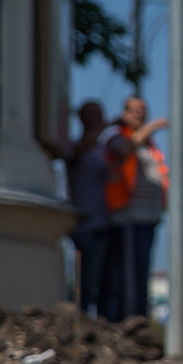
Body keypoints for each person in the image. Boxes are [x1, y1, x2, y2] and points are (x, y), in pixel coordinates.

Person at [105, 97, 169, 322]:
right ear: (123, 114)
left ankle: (138, 319)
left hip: (149, 217)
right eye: (133, 111)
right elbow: (124, 149)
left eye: (142, 111)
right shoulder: (118, 138)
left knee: (142, 273)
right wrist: (153, 127)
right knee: (127, 275)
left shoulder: (150, 146)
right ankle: (125, 321)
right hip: (128, 218)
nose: (138, 116)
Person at [65, 101, 113, 318]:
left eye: (99, 114)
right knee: (85, 279)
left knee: (106, 281)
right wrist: (105, 126)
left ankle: (101, 326)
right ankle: (82, 320)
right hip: (84, 223)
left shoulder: (105, 150)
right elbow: (77, 153)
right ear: (81, 118)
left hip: (105, 222)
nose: (95, 118)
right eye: (90, 114)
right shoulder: (74, 145)